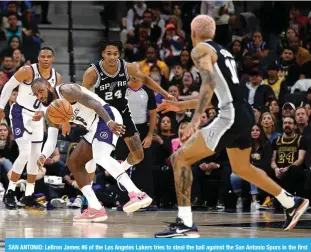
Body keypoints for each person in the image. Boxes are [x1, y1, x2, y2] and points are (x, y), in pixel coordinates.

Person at [155, 15, 309, 238]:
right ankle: (290, 202)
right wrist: (180, 104)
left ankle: (185, 224)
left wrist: (196, 119)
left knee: (180, 158)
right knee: (241, 168)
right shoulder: (223, 51)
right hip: (243, 113)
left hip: (230, 115)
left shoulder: (199, 50)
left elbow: (208, 84)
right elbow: (213, 95)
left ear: (192, 31)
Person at [31, 78, 152, 222]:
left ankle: (137, 193)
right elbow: (51, 139)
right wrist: (43, 155)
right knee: (74, 162)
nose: (39, 96)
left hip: (105, 116)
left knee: (101, 156)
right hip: (92, 127)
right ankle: (95, 207)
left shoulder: (66, 90)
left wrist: (109, 122)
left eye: (41, 91)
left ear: (49, 86)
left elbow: (95, 103)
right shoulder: (51, 111)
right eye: (36, 94)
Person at [82, 40, 175, 173]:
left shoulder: (128, 67)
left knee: (138, 155)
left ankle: (121, 169)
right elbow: (81, 95)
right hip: (103, 115)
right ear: (103, 53)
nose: (112, 57)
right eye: (109, 53)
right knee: (95, 158)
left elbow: (147, 79)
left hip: (122, 114)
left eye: (115, 54)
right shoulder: (92, 72)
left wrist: (166, 94)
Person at [0, 47, 62, 209]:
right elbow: (8, 87)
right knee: (26, 152)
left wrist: (43, 113)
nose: (46, 59)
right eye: (43, 56)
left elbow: (53, 101)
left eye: (49, 56)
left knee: (35, 156)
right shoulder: (27, 70)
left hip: (37, 116)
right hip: (20, 113)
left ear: (53, 59)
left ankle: (28, 195)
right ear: (38, 58)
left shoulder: (57, 77)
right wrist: (0, 108)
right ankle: (10, 192)